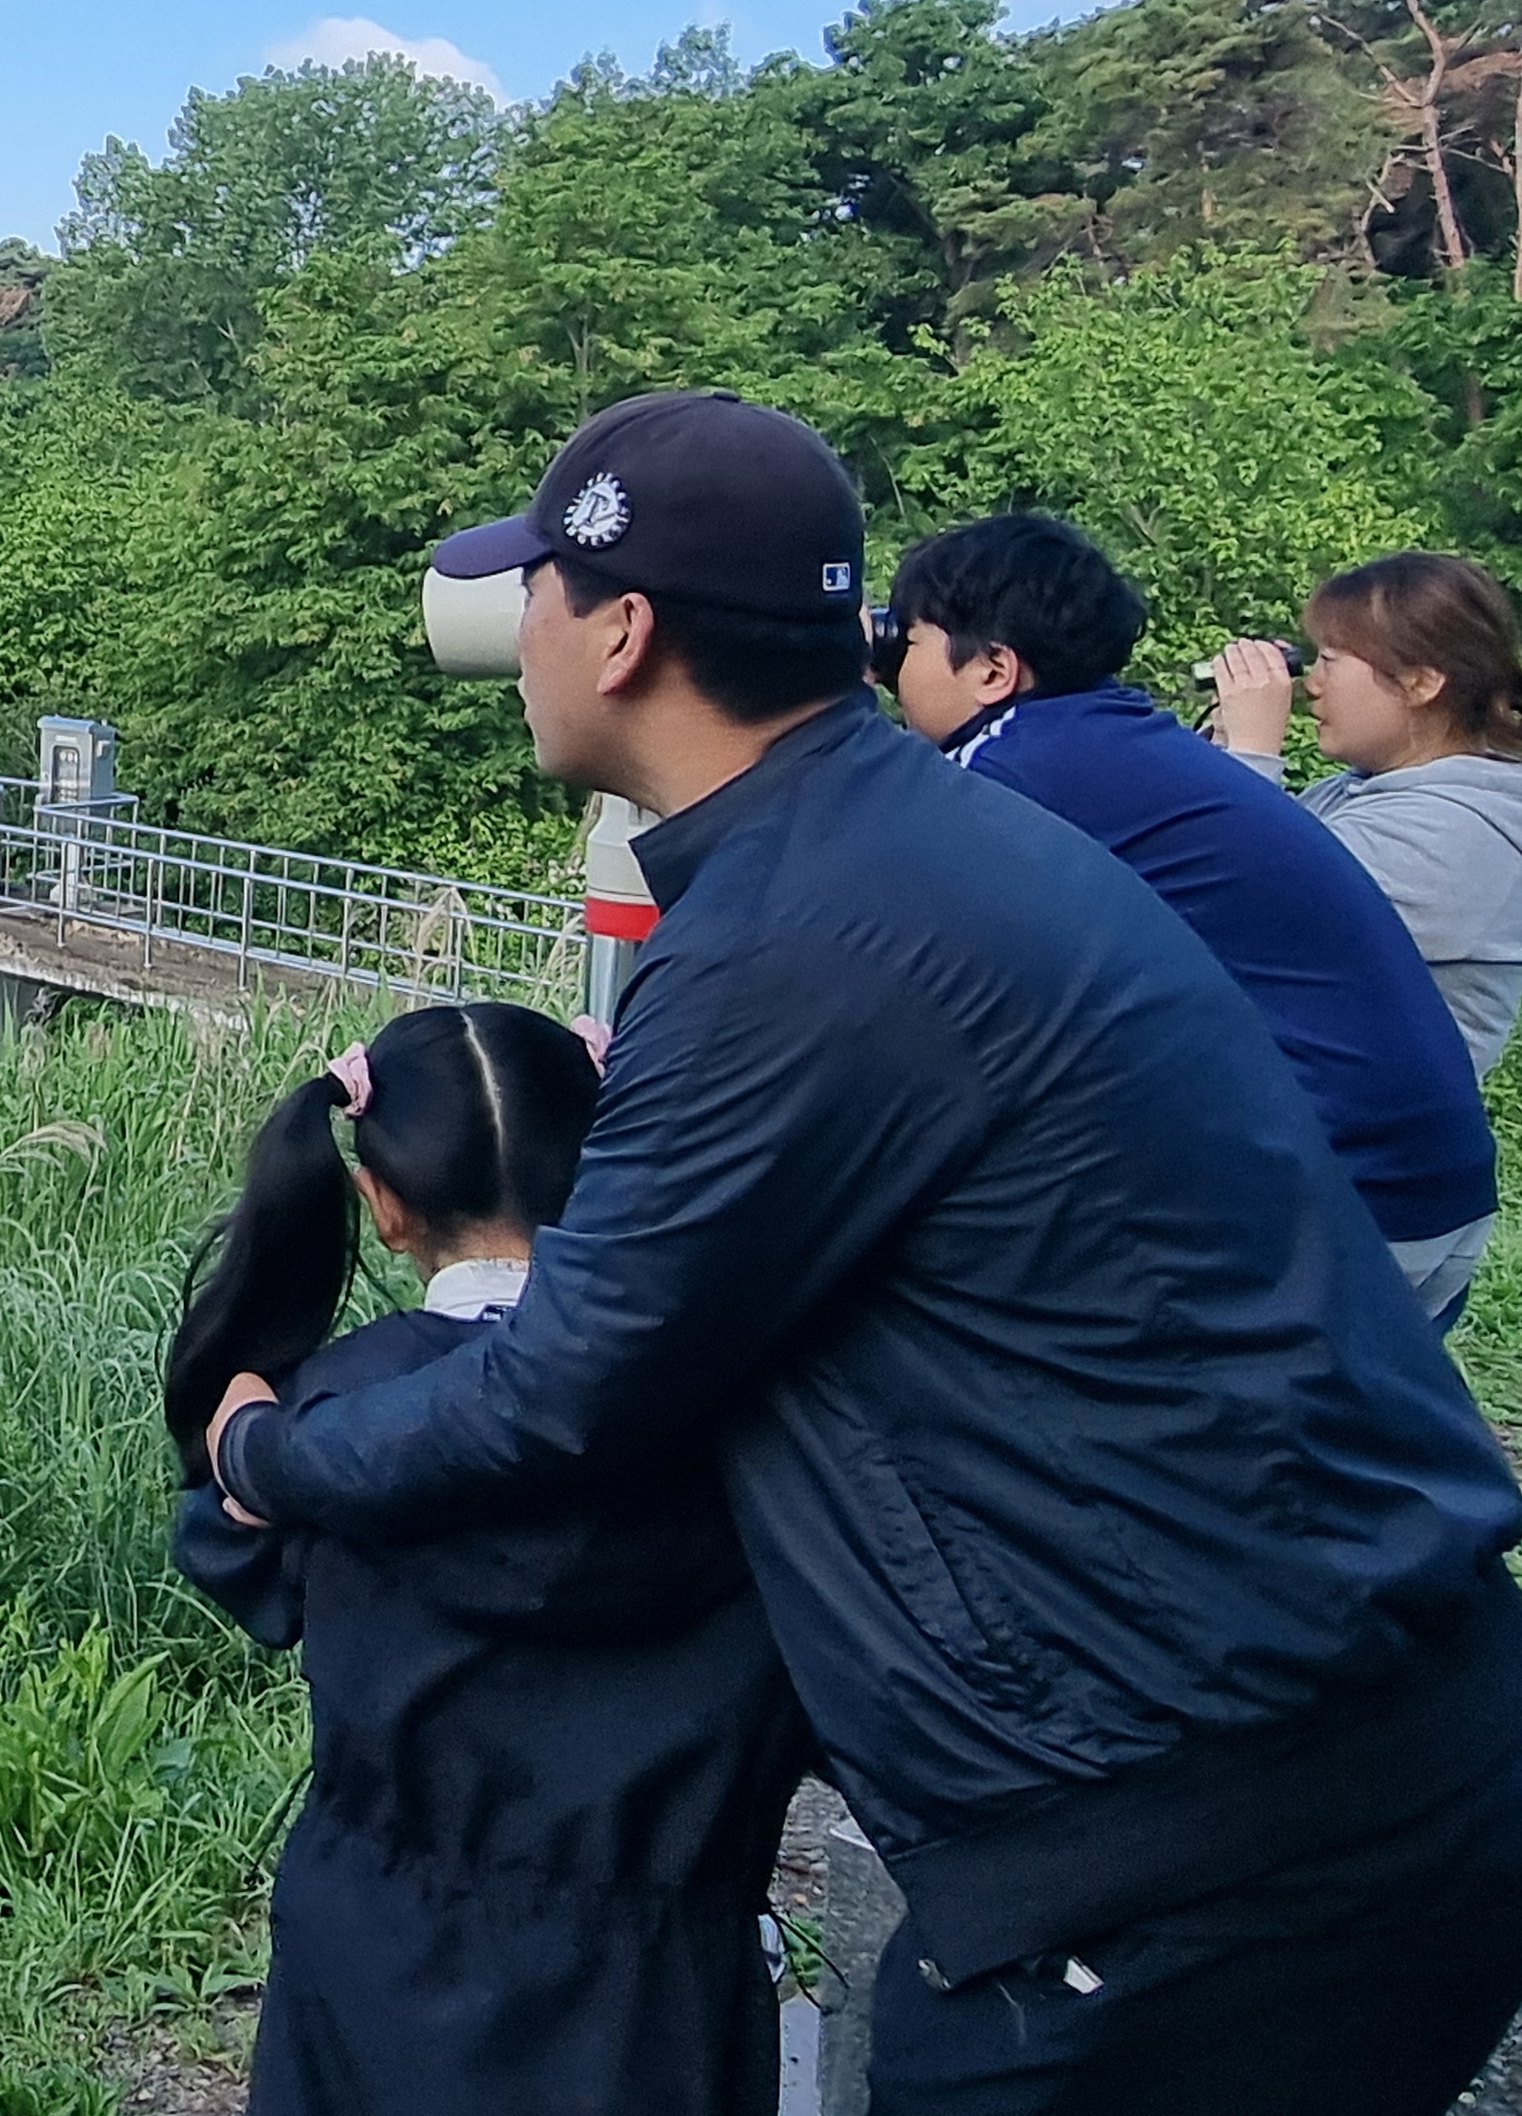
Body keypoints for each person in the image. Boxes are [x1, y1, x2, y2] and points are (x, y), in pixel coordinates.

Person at [201, 389, 1522, 2116]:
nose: (509, 629)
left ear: (617, 631)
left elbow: (559, 1391)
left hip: (1193, 1866)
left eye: (529, 586)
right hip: (1331, 1752)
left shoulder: (792, 935)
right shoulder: (904, 844)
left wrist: (265, 1448)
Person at [166, 1003, 811, 2116]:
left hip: (378, 1958)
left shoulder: (331, 1410)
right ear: (602, 1161)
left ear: (384, 1209)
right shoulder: (741, 1403)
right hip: (660, 1981)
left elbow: (233, 1558)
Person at [881, 512, 1496, 1327]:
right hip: (1428, 1177)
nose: (892, 663)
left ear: (994, 669)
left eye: (911, 642)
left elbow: (859, 902)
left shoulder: (1013, 759)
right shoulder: (1115, 742)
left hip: (1335, 1191)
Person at [1212, 555, 1522, 1326]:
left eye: (1331, 660)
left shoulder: (1462, 830)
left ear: (1422, 682)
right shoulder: (1366, 792)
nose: (1310, 682)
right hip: (1354, 1178)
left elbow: (1238, 924)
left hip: (1370, 1198)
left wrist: (1249, 761)